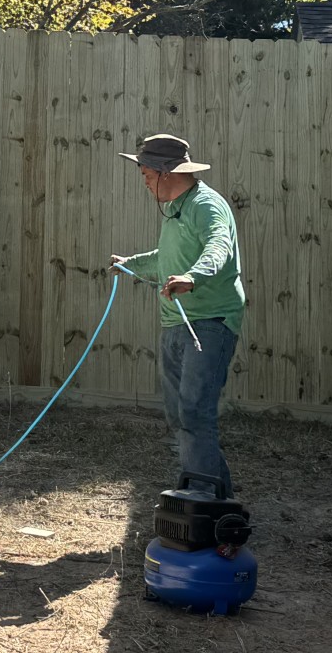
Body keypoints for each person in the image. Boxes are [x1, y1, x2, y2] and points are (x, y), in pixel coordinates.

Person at [110, 133, 246, 500]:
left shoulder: (207, 206)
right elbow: (167, 255)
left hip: (210, 323)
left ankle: (202, 496)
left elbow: (218, 246)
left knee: (195, 411)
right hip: (175, 323)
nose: (143, 181)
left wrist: (193, 277)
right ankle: (217, 498)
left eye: (145, 174)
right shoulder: (176, 208)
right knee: (180, 414)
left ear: (164, 172)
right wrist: (131, 263)